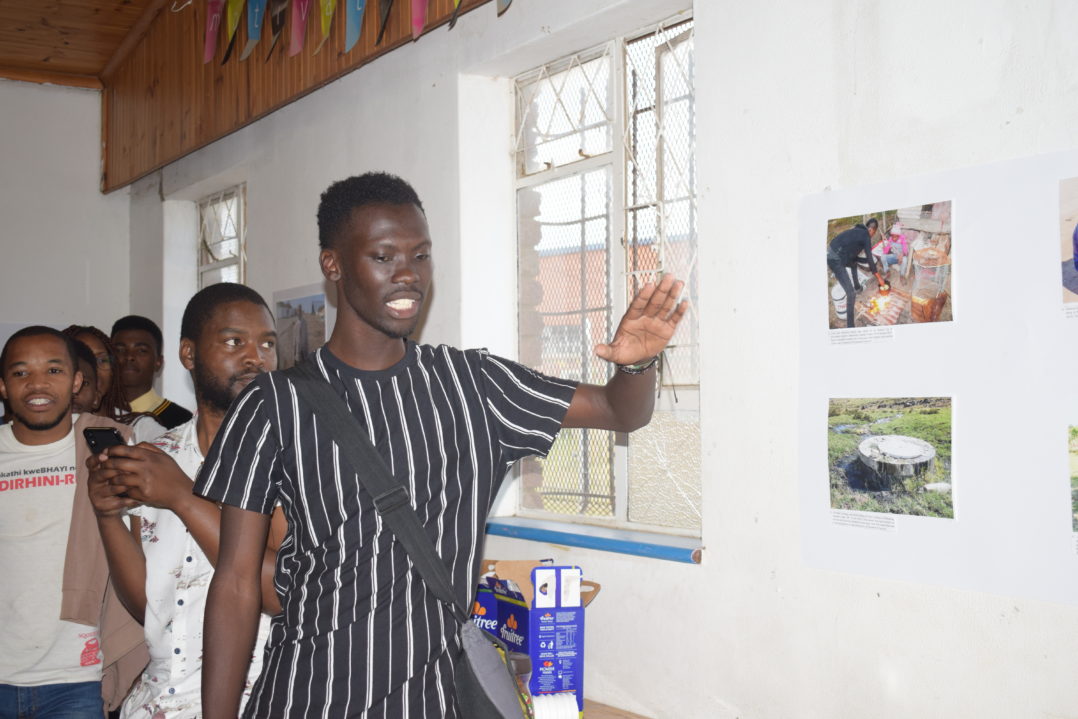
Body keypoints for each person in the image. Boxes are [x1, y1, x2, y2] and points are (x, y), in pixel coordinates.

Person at [195, 172, 688, 718]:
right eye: (384, 257)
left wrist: (639, 361)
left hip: (431, 703)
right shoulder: (273, 404)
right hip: (310, 695)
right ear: (332, 264)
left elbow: (622, 410)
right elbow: (237, 582)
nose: (408, 275)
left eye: (421, 256)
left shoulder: (473, 386)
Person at [88, 284, 287, 719]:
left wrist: (182, 497)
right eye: (235, 341)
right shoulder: (157, 458)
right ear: (188, 354)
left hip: (258, 699)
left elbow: (281, 593)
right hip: (160, 699)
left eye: (267, 343)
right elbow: (150, 606)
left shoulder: (296, 459)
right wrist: (107, 518)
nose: (256, 357)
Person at [0, 326, 145, 717]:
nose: (37, 384)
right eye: (20, 373)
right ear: (2, 386)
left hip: (77, 677)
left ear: (77, 381)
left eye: (53, 370)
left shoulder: (112, 447)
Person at [63, 325, 166, 444]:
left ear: (113, 369)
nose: (93, 369)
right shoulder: (44, 425)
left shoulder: (140, 429)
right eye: (81, 360)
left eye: (101, 360)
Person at [111, 315, 193, 429]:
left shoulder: (181, 420)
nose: (129, 356)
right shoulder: (98, 413)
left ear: (158, 362)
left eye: (141, 351)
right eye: (119, 350)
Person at [827, 217, 879, 328]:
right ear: (871, 230)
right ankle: (850, 326)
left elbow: (854, 257)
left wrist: (868, 261)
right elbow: (869, 258)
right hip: (835, 259)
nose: (872, 235)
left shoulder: (858, 231)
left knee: (853, 264)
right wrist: (879, 277)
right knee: (850, 294)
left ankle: (858, 287)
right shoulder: (865, 235)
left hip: (837, 253)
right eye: (874, 233)